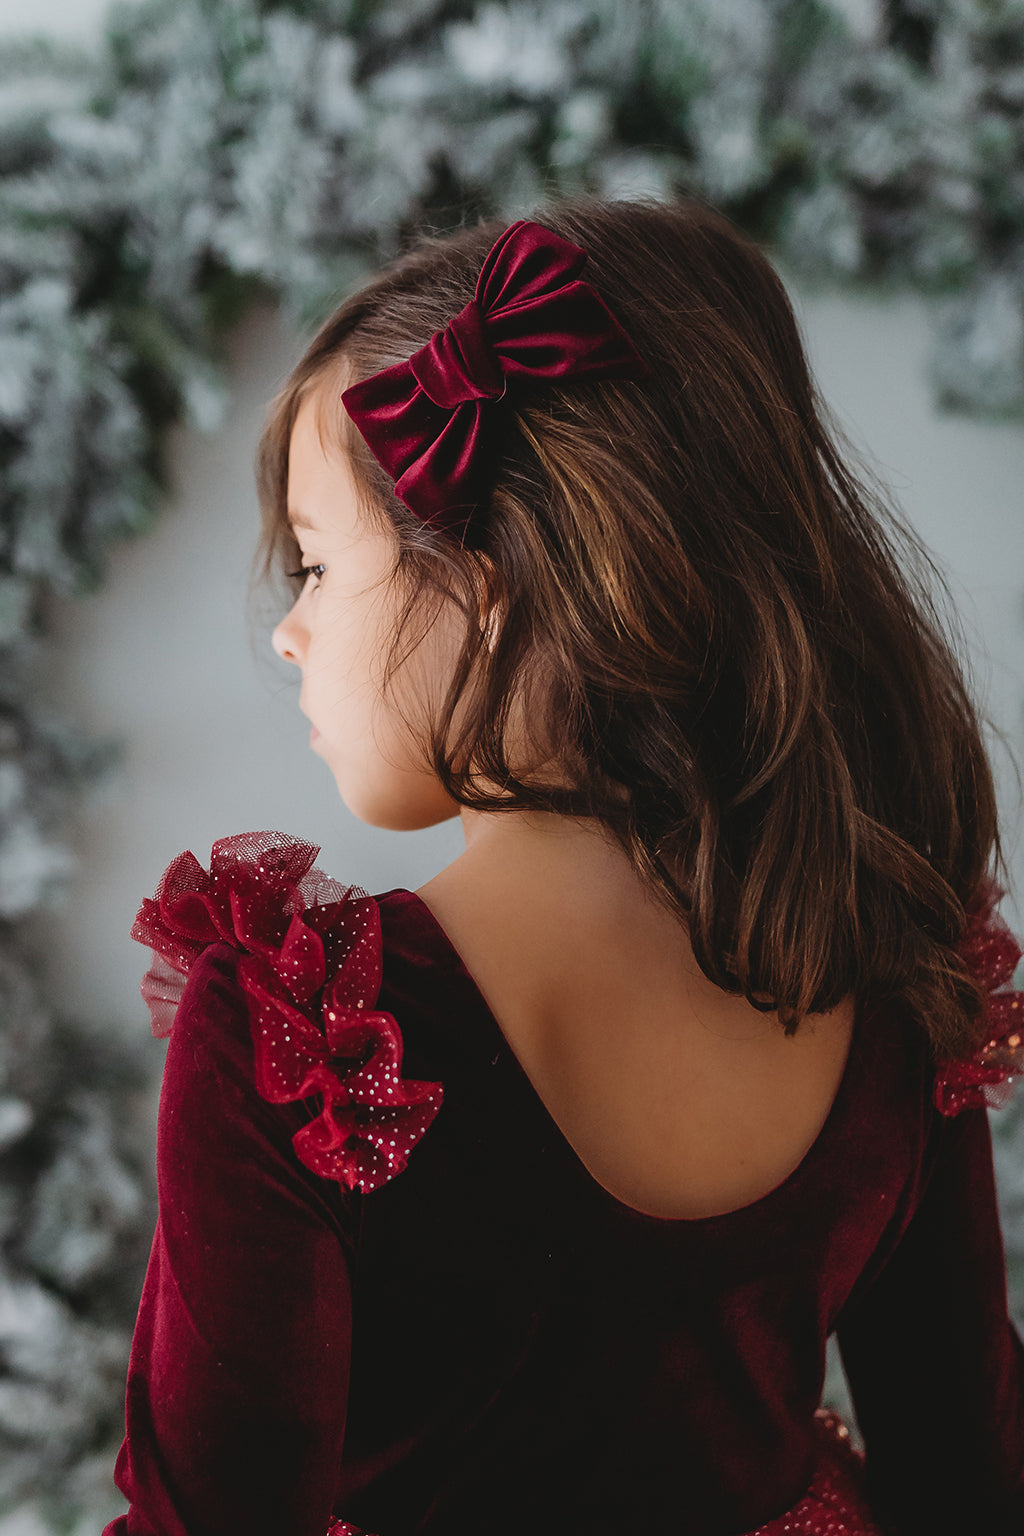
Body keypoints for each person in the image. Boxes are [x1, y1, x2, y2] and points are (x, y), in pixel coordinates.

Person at [104, 198, 1024, 1536]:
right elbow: (971, 1474)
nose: (291, 636)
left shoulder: (301, 1029)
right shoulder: (891, 968)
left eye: (314, 566)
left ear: (481, 587)